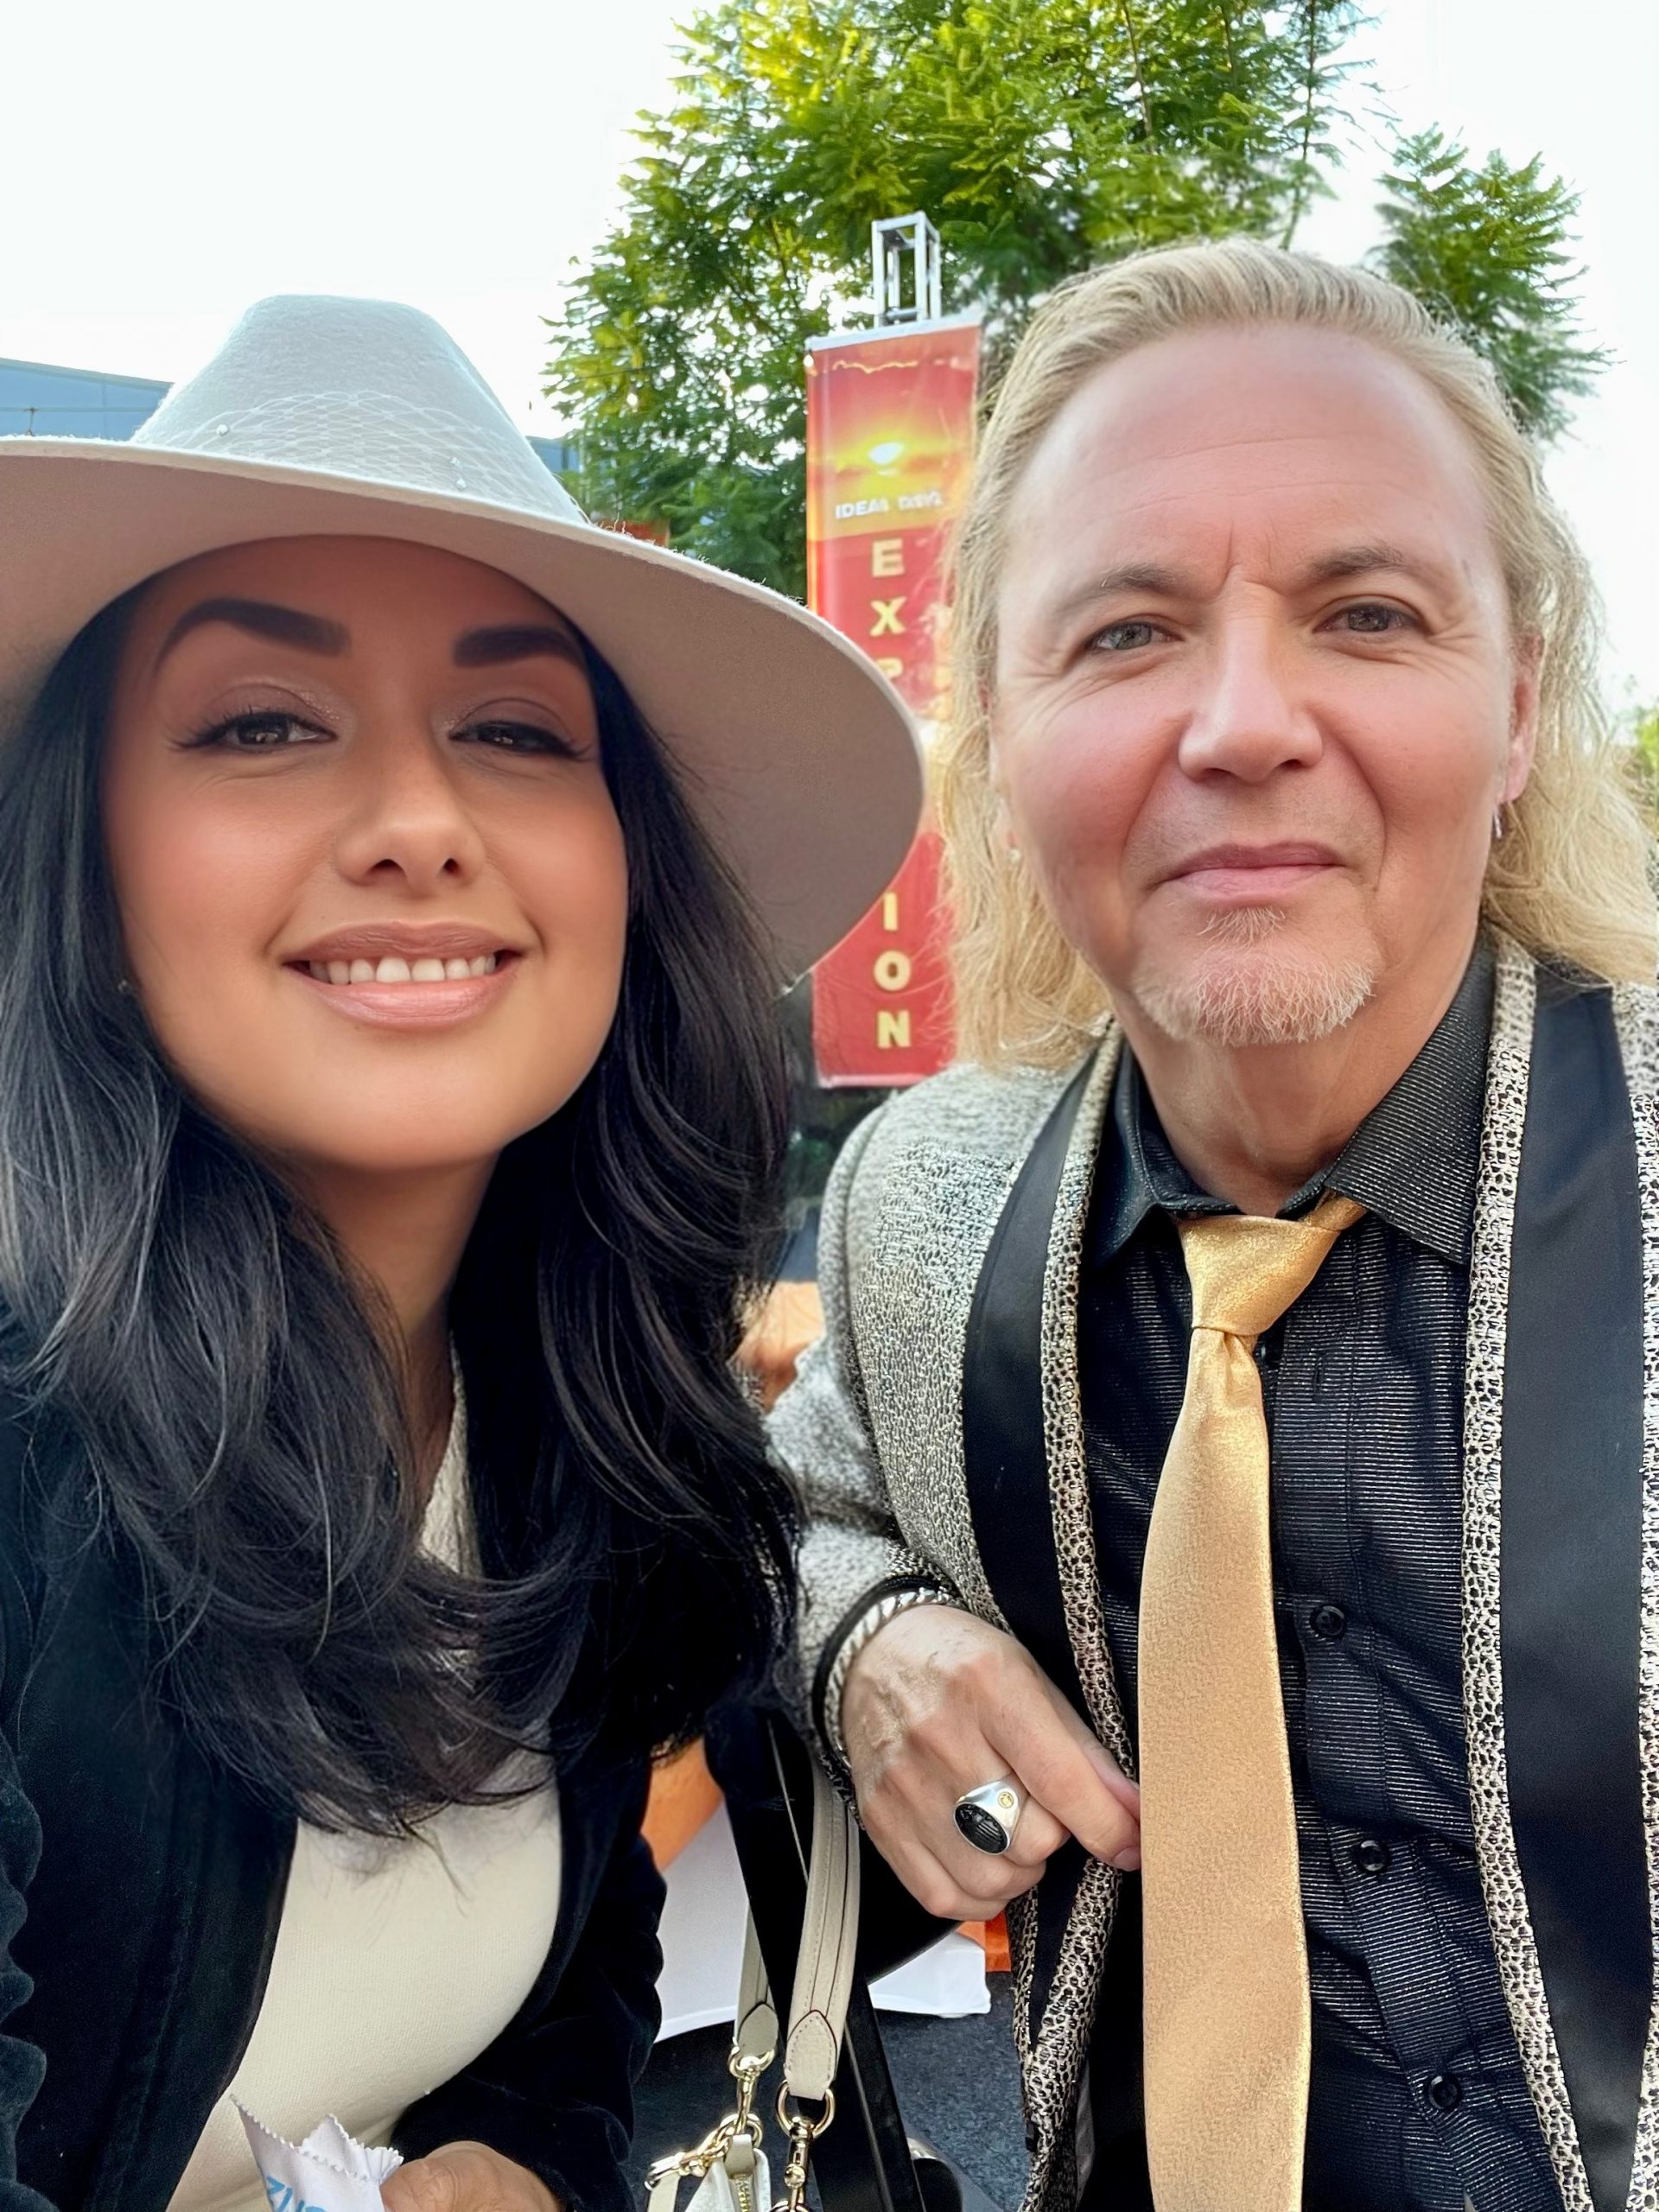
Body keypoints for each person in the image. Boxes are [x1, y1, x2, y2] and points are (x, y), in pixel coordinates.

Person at [0, 295, 919, 2212]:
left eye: (513, 730)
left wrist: (520, 2156)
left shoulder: (586, 1419)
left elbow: (566, 1977)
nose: (418, 823)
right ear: (82, 853)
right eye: (262, 723)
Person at [773, 238, 1659, 2212]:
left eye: (1367, 613)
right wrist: (867, 1637)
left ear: (1519, 706)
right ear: (997, 729)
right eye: (1127, 631)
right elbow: (783, 1508)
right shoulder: (924, 1202)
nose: (1246, 723)